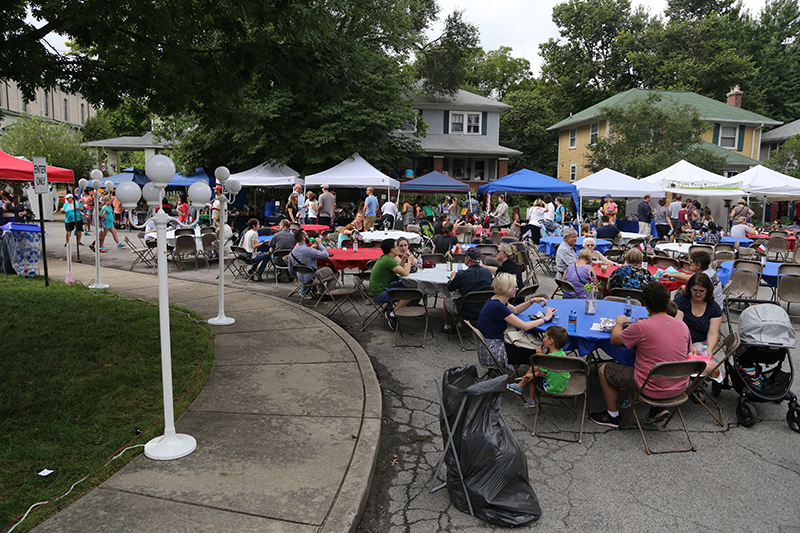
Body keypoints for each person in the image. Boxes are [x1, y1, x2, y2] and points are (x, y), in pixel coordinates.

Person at [590, 282, 692, 428]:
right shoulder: (683, 326)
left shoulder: (642, 326)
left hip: (650, 386)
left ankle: (612, 416)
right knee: (651, 359)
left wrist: (619, 323)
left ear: (646, 306)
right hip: (679, 386)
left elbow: (614, 339)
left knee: (604, 370)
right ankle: (656, 408)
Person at [476, 272, 554, 374]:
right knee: (537, 352)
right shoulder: (498, 307)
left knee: (532, 346)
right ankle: (538, 380)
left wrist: (532, 301)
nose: (517, 289)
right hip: (494, 352)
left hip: (488, 347)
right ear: (507, 288)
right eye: (514, 287)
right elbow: (525, 326)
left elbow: (516, 310)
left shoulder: (496, 299)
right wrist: (545, 318)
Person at [508, 325, 570, 408]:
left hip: (551, 387)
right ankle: (520, 386)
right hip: (562, 384)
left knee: (533, 373)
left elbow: (541, 374)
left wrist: (539, 357)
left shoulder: (546, 359)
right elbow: (547, 371)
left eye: (545, 337)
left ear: (551, 341)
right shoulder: (561, 353)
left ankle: (531, 400)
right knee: (533, 369)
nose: (543, 339)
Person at [442, 247, 493, 333]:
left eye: (465, 256)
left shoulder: (462, 274)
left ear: (468, 258)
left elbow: (450, 287)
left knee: (446, 300)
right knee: (469, 298)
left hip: (466, 309)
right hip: (484, 307)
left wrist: (452, 277)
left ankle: (447, 326)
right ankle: (460, 325)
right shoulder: (487, 273)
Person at [369, 238, 414, 330]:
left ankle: (391, 309)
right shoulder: (388, 260)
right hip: (379, 294)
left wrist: (404, 258)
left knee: (408, 285)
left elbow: (399, 268)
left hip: (380, 289)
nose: (398, 248)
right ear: (392, 250)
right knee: (411, 292)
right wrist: (409, 261)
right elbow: (405, 273)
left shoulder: (386, 257)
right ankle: (392, 314)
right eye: (396, 246)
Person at [673, 273, 722, 356]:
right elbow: (678, 326)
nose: (698, 294)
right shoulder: (681, 300)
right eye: (695, 290)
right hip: (679, 339)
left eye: (702, 291)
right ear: (689, 289)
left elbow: (713, 333)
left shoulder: (714, 307)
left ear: (708, 291)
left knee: (703, 357)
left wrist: (709, 349)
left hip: (700, 343)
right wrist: (688, 346)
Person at [286, 229, 329, 298]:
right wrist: (320, 244)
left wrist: (299, 273)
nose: (308, 237)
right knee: (333, 273)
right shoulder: (309, 250)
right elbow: (325, 255)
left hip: (301, 278)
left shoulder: (292, 253)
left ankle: (317, 292)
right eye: (306, 235)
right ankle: (324, 295)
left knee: (320, 271)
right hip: (312, 279)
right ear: (303, 238)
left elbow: (291, 271)